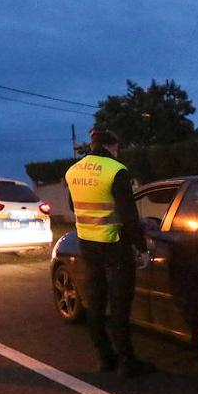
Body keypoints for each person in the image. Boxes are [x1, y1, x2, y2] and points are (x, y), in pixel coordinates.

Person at [64, 127, 156, 378]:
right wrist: (141, 247)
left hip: (87, 244)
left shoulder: (73, 171)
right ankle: (127, 363)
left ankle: (105, 358)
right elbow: (129, 215)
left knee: (95, 302)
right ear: (112, 146)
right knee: (119, 304)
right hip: (114, 244)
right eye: (118, 147)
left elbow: (73, 206)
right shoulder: (116, 170)